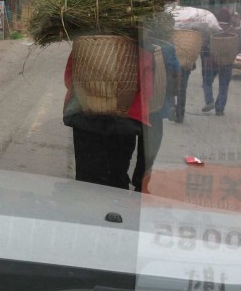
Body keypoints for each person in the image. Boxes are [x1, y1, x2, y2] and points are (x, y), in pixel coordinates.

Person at [63, 41, 155, 190]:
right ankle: (115, 208)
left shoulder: (85, 44)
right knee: (117, 175)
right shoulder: (141, 49)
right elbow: (148, 90)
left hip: (86, 119)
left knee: (87, 178)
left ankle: (86, 208)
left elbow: (69, 78)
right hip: (125, 122)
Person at [131, 42, 180, 193]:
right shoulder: (166, 46)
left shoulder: (128, 42)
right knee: (149, 149)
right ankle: (140, 183)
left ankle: (118, 181)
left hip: (130, 106)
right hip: (155, 109)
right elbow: (175, 72)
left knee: (123, 147)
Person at [201, 26, 234, 116]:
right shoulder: (230, 39)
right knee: (223, 87)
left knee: (207, 82)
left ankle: (209, 101)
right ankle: (219, 109)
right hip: (227, 62)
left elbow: (204, 52)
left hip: (211, 61)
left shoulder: (208, 36)